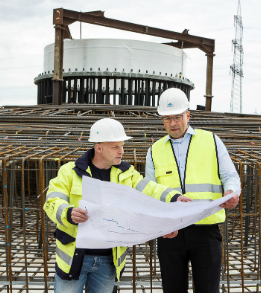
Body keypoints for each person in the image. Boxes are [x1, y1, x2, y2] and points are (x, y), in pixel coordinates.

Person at [44, 118, 190, 293]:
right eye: (115, 147)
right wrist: (68, 213)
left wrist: (175, 197)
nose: (121, 151)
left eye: (122, 146)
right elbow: (52, 202)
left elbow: (150, 189)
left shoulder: (126, 173)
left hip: (108, 260)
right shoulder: (69, 172)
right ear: (99, 147)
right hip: (74, 258)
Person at [145, 88, 241, 293]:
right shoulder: (154, 150)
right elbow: (150, 191)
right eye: (167, 118)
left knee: (207, 289)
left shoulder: (211, 141)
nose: (173, 123)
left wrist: (232, 192)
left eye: (178, 117)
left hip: (205, 230)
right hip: (170, 233)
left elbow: (230, 175)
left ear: (188, 115)